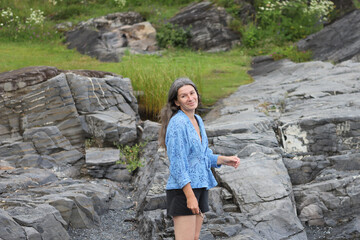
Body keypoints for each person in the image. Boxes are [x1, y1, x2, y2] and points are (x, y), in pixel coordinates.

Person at [159, 78, 240, 240]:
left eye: (192, 93)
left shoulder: (197, 119)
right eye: (183, 96)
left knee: (194, 238)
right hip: (183, 191)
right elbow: (177, 165)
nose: (190, 98)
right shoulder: (177, 124)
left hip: (200, 186)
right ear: (176, 102)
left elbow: (201, 157)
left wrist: (225, 160)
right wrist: (190, 196)